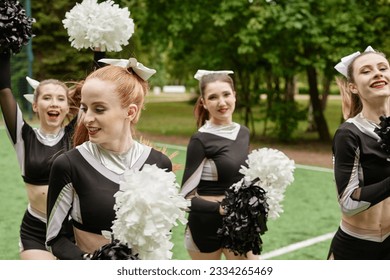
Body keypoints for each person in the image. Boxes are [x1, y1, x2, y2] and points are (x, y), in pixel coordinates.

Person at [45, 58, 172, 260]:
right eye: (85, 108)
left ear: (130, 112)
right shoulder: (69, 164)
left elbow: (162, 235)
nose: (87, 119)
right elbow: (55, 239)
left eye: (99, 109)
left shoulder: (159, 164)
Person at [0, 50, 81, 260]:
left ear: (67, 107)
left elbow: (96, 88)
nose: (54, 103)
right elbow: (4, 91)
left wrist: (99, 50)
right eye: (47, 98)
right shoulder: (23, 136)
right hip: (35, 229)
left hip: (72, 229)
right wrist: (5, 45)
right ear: (35, 105)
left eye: (60, 99)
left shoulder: (75, 135)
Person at [180, 69, 257, 260]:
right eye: (213, 97)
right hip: (205, 227)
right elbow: (184, 199)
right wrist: (220, 209)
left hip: (239, 223)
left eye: (226, 94)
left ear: (235, 96)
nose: (222, 102)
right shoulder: (200, 140)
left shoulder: (243, 132)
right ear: (204, 103)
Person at [329, 46, 390, 259]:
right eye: (366, 71)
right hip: (357, 246)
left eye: (383, 68)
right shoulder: (349, 133)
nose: (377, 73)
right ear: (353, 87)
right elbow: (349, 203)